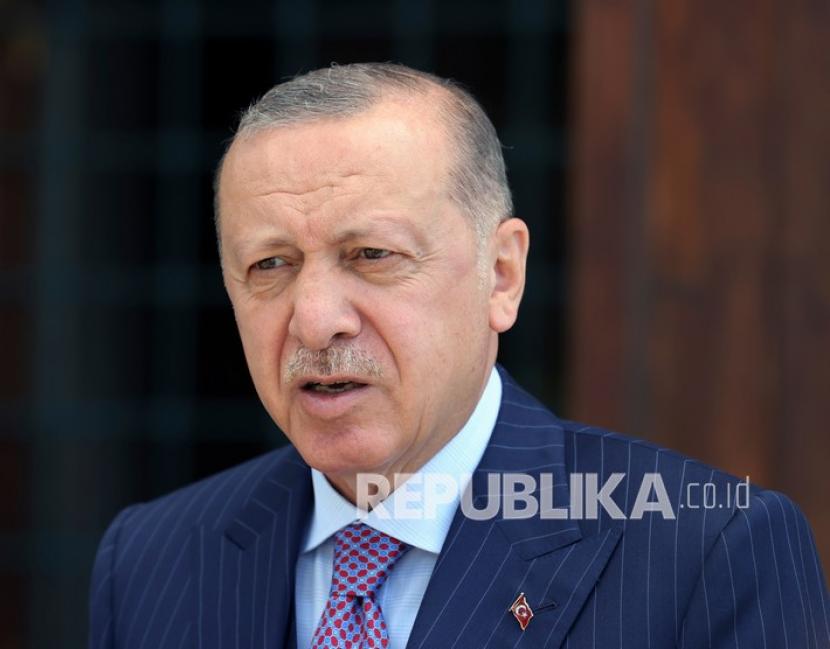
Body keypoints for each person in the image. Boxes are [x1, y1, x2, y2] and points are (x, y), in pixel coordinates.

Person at [88, 63, 829, 649]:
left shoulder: (706, 552)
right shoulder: (152, 561)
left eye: (371, 254)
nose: (314, 320)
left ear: (501, 275)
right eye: (271, 265)